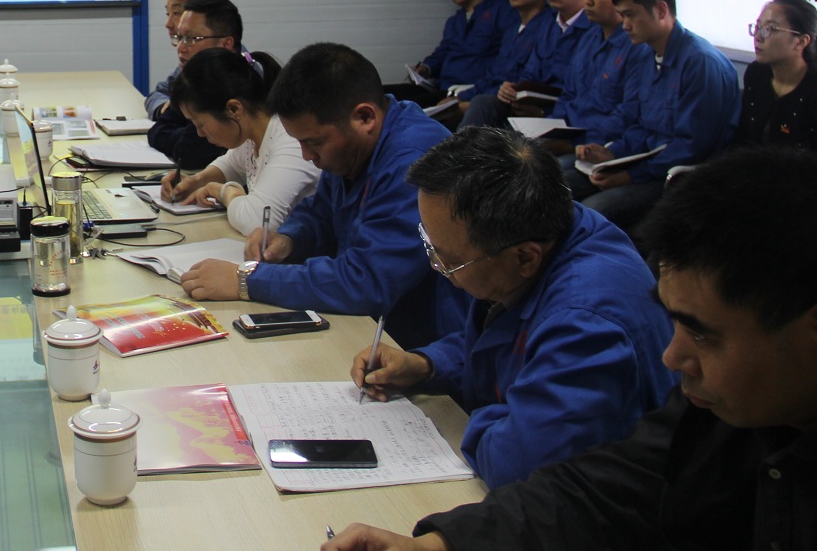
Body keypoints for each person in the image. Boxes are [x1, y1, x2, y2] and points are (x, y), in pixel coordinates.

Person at [322, 145, 817, 551]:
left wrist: (489, 407)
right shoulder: (720, 410)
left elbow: (524, 462)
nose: (673, 356)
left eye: (703, 334)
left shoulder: (590, 313)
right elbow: (594, 491)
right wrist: (439, 544)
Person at [351, 127, 674, 489]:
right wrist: (428, 364)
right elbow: (507, 341)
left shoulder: (587, 325)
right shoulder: (545, 225)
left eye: (450, 261)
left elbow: (519, 465)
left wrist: (494, 415)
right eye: (429, 244)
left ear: (524, 258)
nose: (437, 266)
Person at [179, 43, 453, 350]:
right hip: (374, 327)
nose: (307, 156)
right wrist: (289, 238)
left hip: (422, 344)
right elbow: (320, 211)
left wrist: (246, 280)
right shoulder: (352, 145)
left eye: (314, 143)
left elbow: (367, 281)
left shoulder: (413, 162)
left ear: (364, 117)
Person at [568, 0, 738, 233]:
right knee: (555, 182)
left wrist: (630, 175)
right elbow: (641, 124)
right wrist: (613, 152)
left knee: (593, 212)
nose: (625, 25)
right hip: (646, 165)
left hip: (679, 178)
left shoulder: (700, 63)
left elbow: (691, 147)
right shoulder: (648, 55)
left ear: (660, 10)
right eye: (622, 15)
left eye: (631, 15)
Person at [158, 47, 319, 236]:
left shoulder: (291, 141)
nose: (199, 133)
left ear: (234, 109)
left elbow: (256, 221)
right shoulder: (253, 133)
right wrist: (196, 181)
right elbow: (231, 165)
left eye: (200, 124)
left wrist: (225, 192)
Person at [533, 0, 651, 152]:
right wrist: (552, 128)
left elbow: (628, 113)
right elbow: (569, 93)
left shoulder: (636, 46)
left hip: (597, 143)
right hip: (568, 133)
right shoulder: (589, 37)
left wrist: (574, 143)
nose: (587, 1)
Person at [462, 0, 591, 128]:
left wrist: (544, 113)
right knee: (484, 104)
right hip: (531, 105)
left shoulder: (593, 28)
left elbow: (583, 93)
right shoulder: (549, 24)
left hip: (563, 113)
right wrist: (512, 88)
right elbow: (530, 72)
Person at [387, 0, 509, 109]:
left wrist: (468, 94)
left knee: (398, 108)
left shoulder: (501, 12)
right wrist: (425, 68)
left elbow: (504, 63)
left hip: (468, 89)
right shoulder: (455, 21)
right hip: (442, 87)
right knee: (384, 95)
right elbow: (442, 53)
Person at [438, 0, 547, 124]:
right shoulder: (512, 30)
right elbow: (494, 75)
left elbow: (523, 80)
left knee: (480, 105)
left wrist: (470, 101)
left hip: (516, 102)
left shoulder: (546, 28)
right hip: (486, 92)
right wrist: (461, 98)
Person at [147, 0, 247, 171]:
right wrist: (184, 132)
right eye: (179, 38)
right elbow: (157, 132)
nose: (181, 47)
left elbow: (188, 153)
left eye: (191, 39)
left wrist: (182, 132)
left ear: (226, 44)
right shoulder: (196, 78)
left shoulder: (239, 84)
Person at [736, 0, 817, 149]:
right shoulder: (756, 73)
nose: (758, 37)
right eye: (758, 27)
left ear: (801, 42)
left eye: (770, 29)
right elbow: (743, 139)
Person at [143, 0, 220, 120]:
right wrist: (163, 107)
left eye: (177, 13)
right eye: (168, 14)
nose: (167, 24)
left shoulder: (236, 71)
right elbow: (159, 92)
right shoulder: (192, 59)